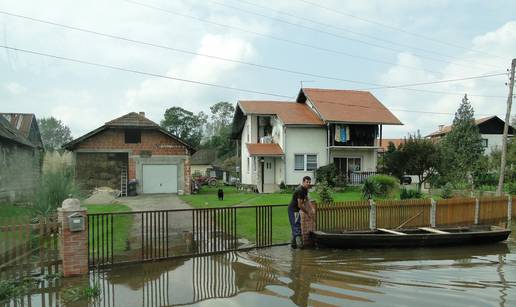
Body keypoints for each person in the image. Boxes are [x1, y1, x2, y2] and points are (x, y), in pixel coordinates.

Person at [288, 176, 313, 249]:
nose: (308, 184)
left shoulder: (305, 190)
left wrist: (311, 208)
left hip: (296, 210)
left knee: (295, 226)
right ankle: (301, 248)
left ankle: (293, 245)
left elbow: (307, 199)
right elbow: (300, 205)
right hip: (293, 210)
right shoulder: (300, 190)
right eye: (307, 182)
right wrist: (307, 212)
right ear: (303, 182)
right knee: (297, 227)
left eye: (309, 182)